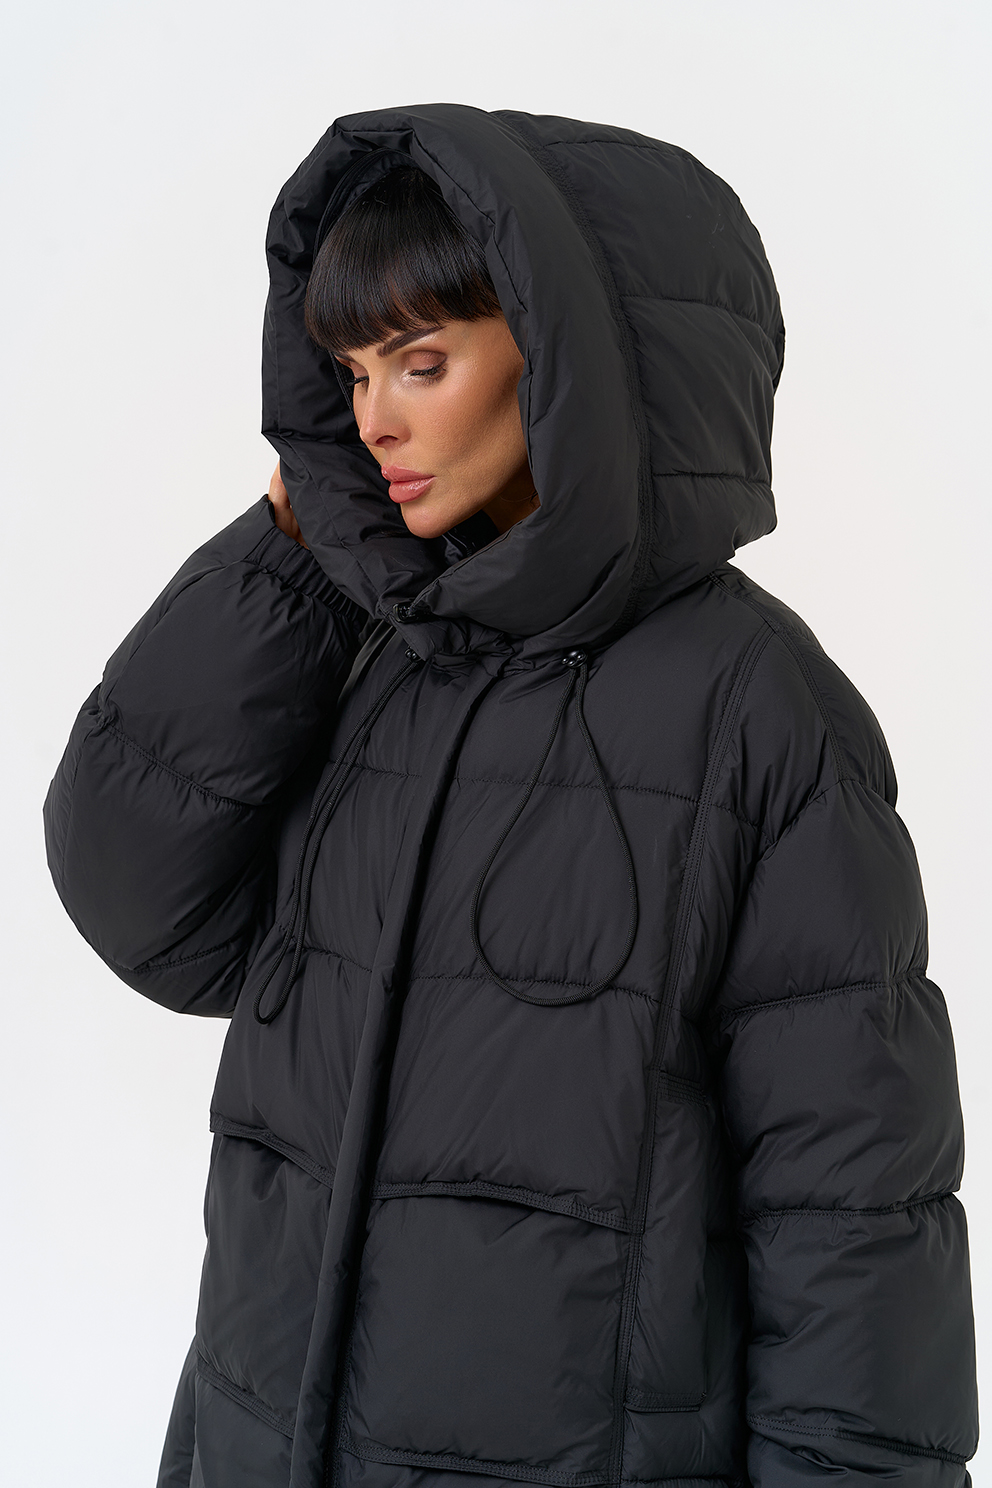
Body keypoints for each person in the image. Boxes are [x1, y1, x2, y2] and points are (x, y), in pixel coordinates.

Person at [44, 105, 977, 1488]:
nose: (373, 420)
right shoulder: (373, 654)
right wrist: (296, 549)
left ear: (574, 359)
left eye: (421, 362)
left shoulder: (759, 710)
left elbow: (851, 1214)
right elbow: (150, 907)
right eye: (351, 372)